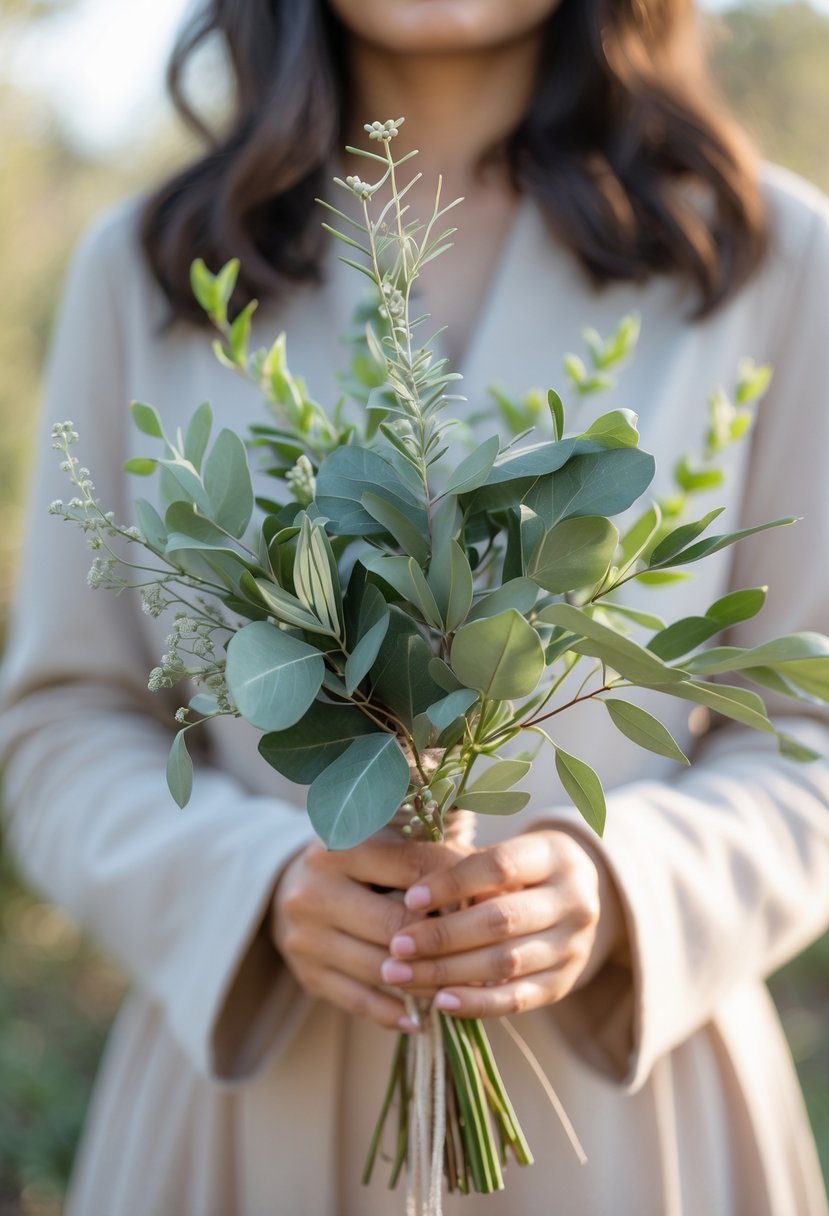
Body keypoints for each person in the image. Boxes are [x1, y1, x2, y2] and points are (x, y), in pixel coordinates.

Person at [2, 0, 828, 1212]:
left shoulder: (768, 254)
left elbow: (807, 727)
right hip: (245, 1120)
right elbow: (62, 725)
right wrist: (252, 886)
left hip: (633, 1129)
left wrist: (622, 893)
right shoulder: (151, 264)